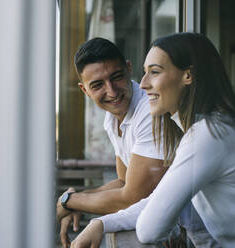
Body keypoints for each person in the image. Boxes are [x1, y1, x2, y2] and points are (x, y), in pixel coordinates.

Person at [70, 32, 235, 248]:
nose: (143, 84)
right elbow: (155, 198)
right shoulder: (211, 128)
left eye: (154, 72)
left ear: (188, 76)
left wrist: (71, 202)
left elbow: (149, 230)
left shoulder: (209, 134)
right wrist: (101, 222)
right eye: (144, 73)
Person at [56, 37, 167, 248]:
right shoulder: (112, 117)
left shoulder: (148, 110)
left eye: (116, 77)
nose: (112, 91)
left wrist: (69, 202)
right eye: (98, 85)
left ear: (128, 68)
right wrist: (77, 198)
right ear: (85, 90)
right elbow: (123, 182)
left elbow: (132, 196)